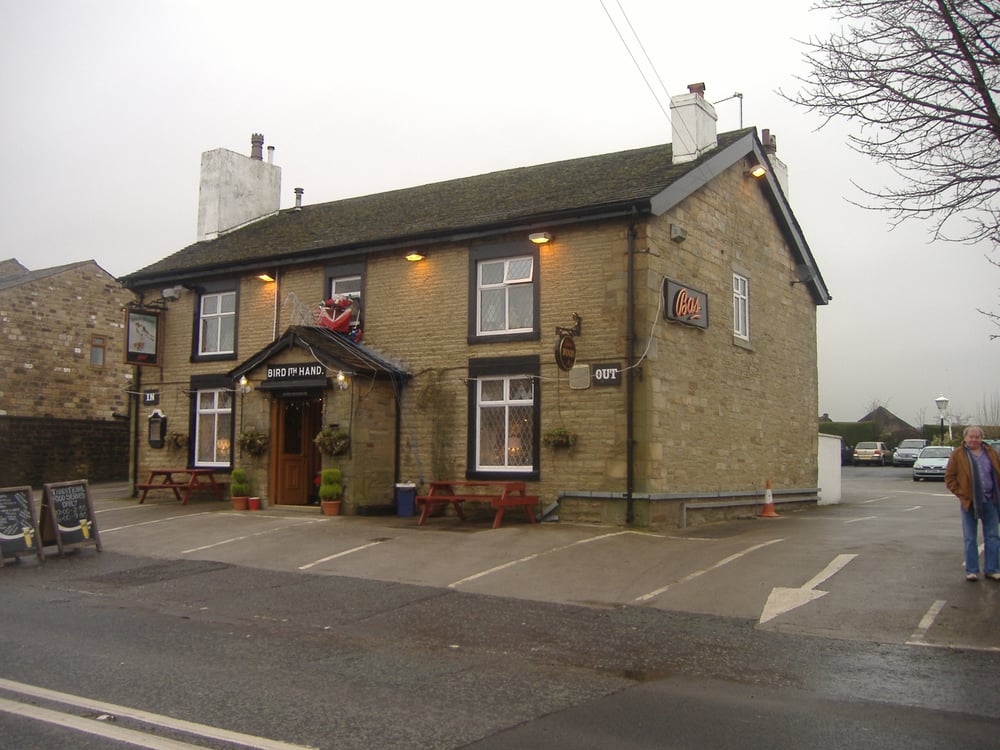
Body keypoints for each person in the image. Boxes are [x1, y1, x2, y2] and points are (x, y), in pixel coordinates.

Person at [944, 425, 1000, 581]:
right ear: (965, 438)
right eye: (971, 437)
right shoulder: (958, 455)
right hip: (969, 502)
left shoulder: (991, 453)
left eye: (977, 437)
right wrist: (962, 494)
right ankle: (972, 571)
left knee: (993, 536)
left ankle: (992, 569)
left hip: (990, 501)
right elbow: (949, 478)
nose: (974, 440)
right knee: (970, 537)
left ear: (982, 438)